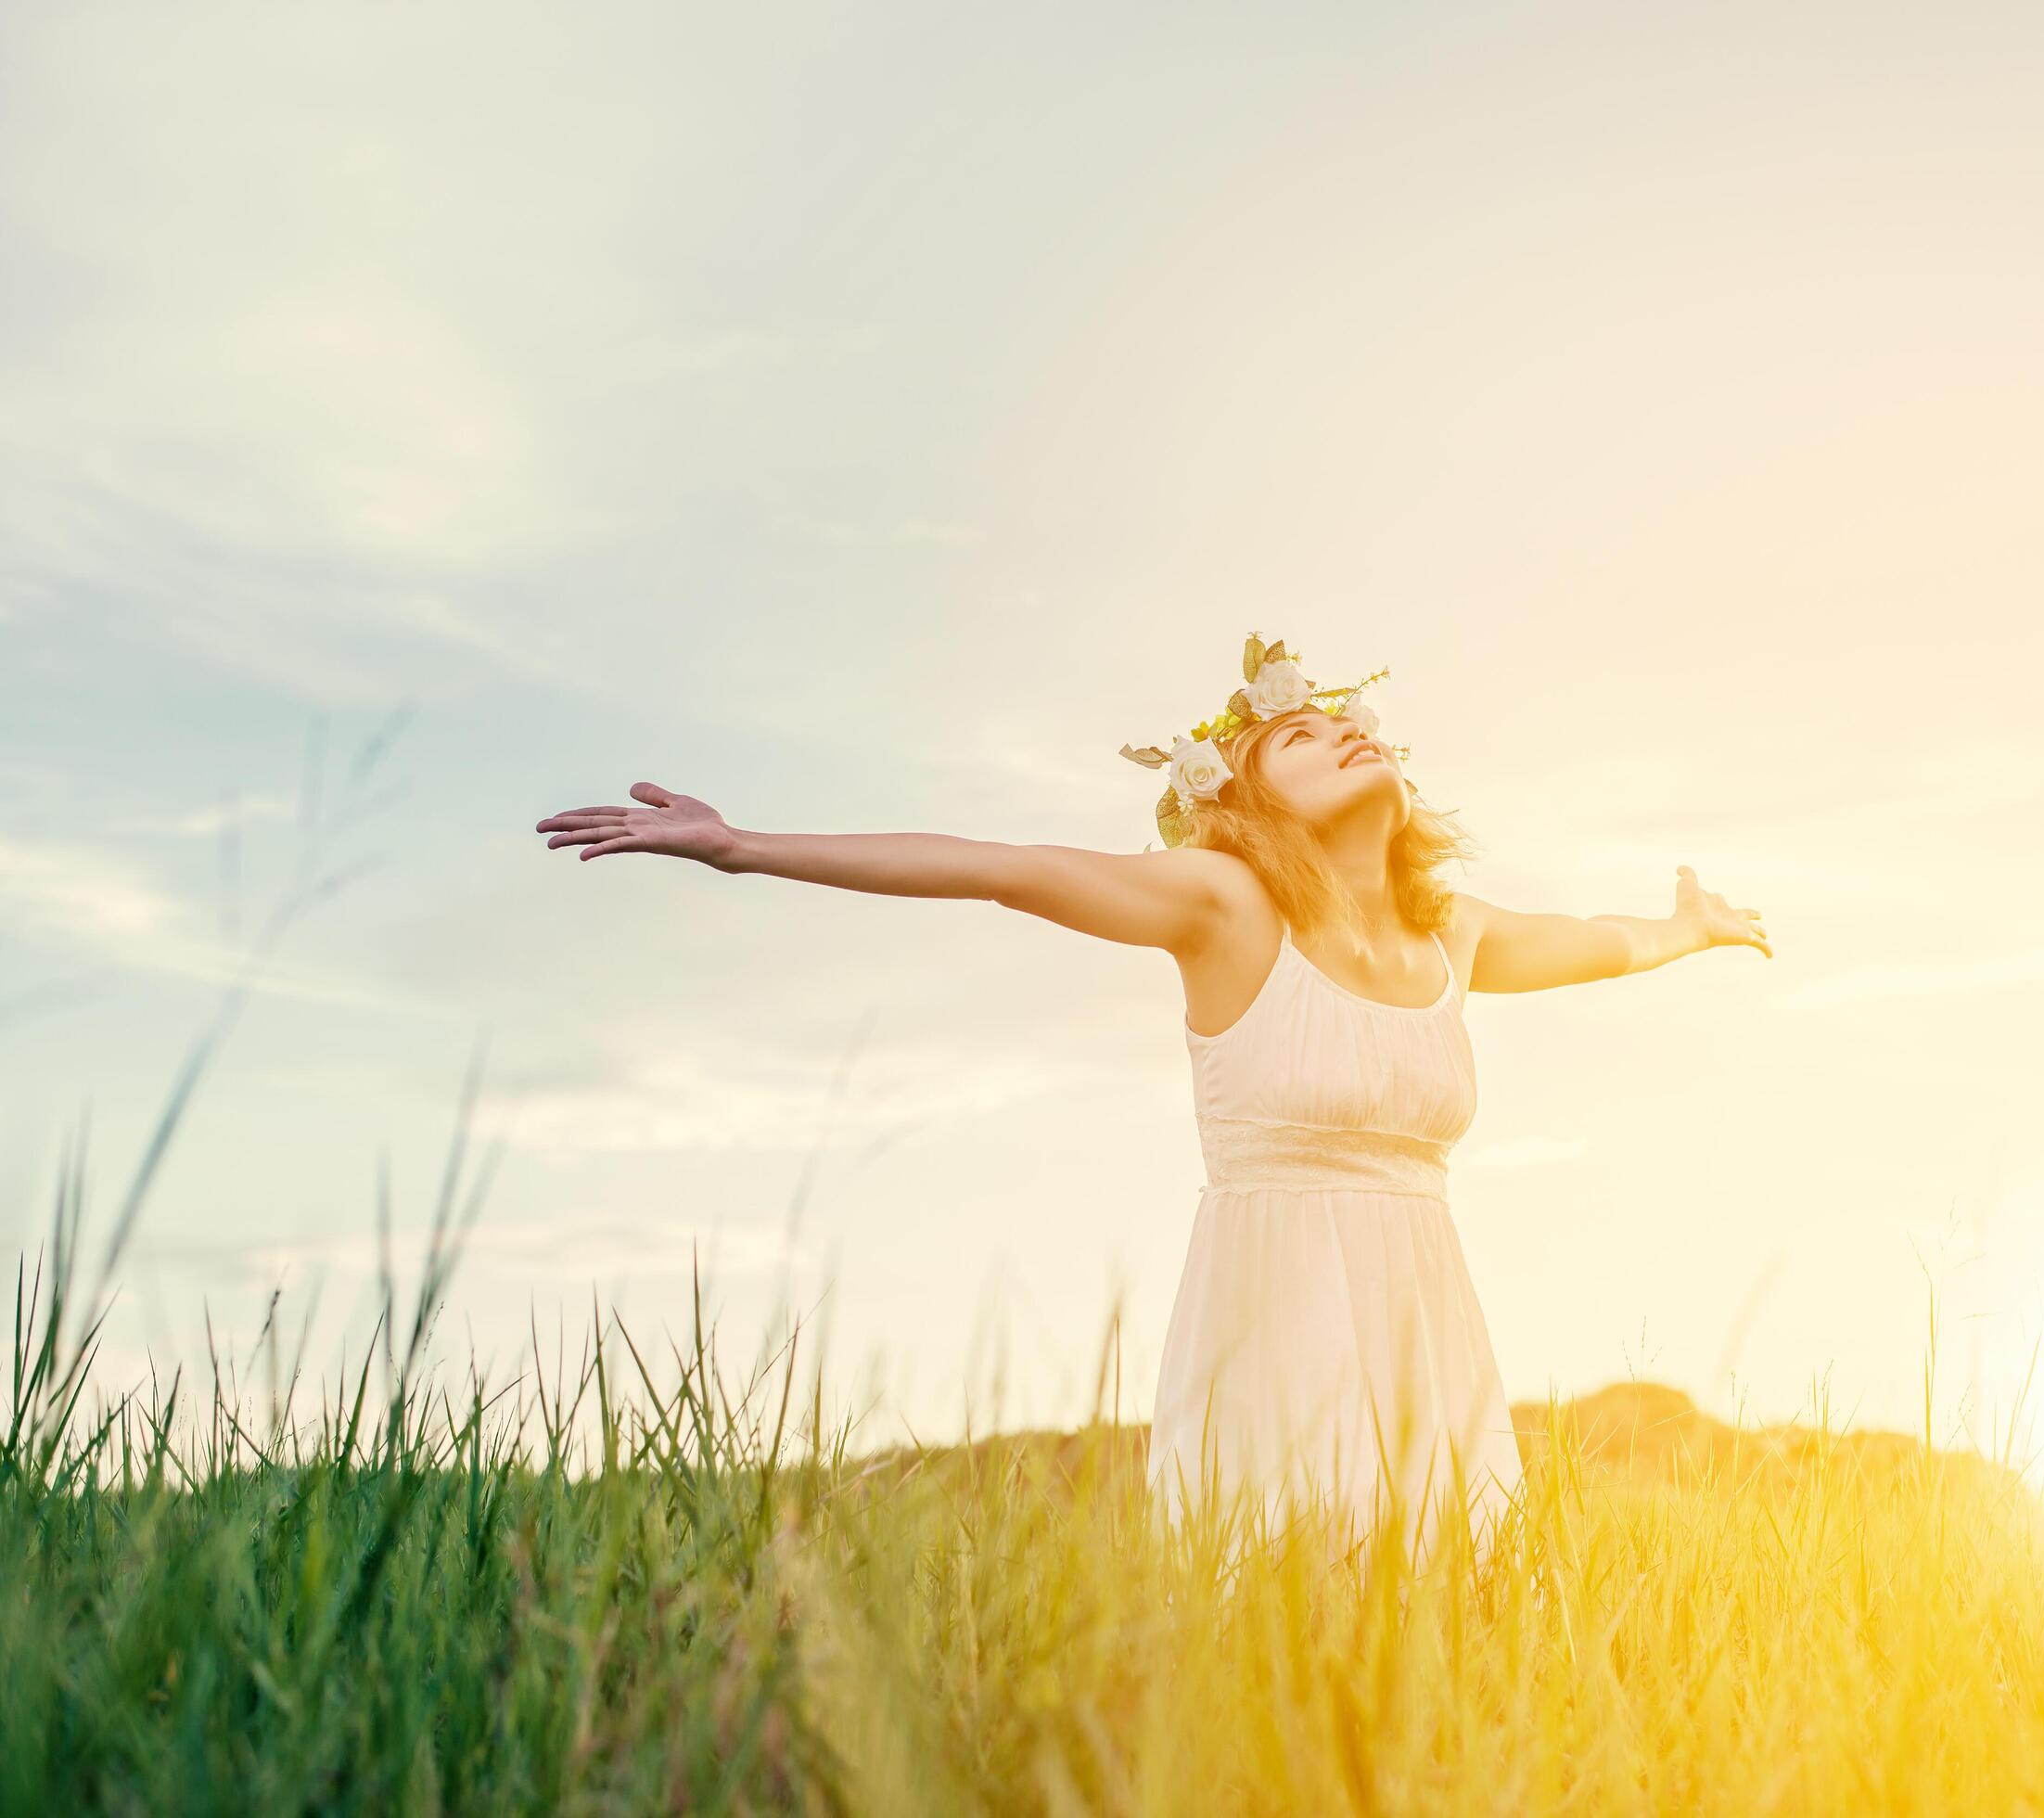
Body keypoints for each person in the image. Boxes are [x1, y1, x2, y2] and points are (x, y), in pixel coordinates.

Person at [532, 631, 1773, 1566]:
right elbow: (998, 872)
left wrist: (1687, 929)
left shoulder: (1454, 930)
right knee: (1293, 1589)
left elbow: (1600, 941)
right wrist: (744, 847)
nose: (1349, 734)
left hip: (1424, 1312)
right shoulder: (1224, 905)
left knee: (1448, 1593)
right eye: (1301, 736)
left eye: (1360, 729)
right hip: (1277, 1306)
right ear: (1244, 801)